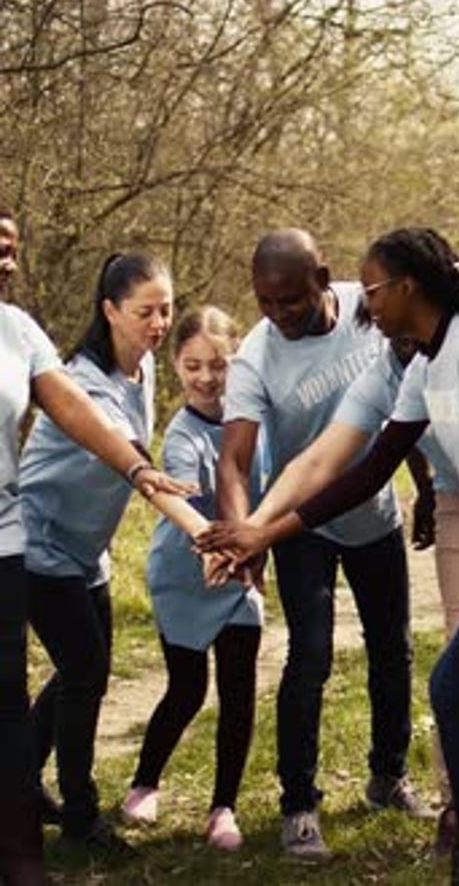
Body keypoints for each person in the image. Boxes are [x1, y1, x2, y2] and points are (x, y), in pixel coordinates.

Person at [200, 227, 459, 885]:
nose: (367, 307)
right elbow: (344, 464)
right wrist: (256, 531)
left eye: (374, 292)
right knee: (448, 682)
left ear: (407, 288)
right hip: (377, 518)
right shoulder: (418, 363)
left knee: (440, 675)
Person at [0, 208, 193, 886]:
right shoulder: (81, 378)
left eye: (166, 309)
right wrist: (200, 529)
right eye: (145, 310)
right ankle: (80, 817)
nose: (159, 323)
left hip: (90, 552)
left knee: (83, 670)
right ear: (109, 310)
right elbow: (133, 461)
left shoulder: (142, 375)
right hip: (42, 544)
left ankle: (24, 782)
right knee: (84, 673)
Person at [121, 306, 264, 851]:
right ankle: (144, 782)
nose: (206, 378)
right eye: (192, 366)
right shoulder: (183, 434)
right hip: (185, 573)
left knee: (238, 691)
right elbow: (188, 503)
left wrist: (255, 554)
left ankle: (223, 807)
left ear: (237, 364)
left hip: (237, 576)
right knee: (187, 689)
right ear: (176, 365)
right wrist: (221, 549)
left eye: (219, 365)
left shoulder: (253, 421)